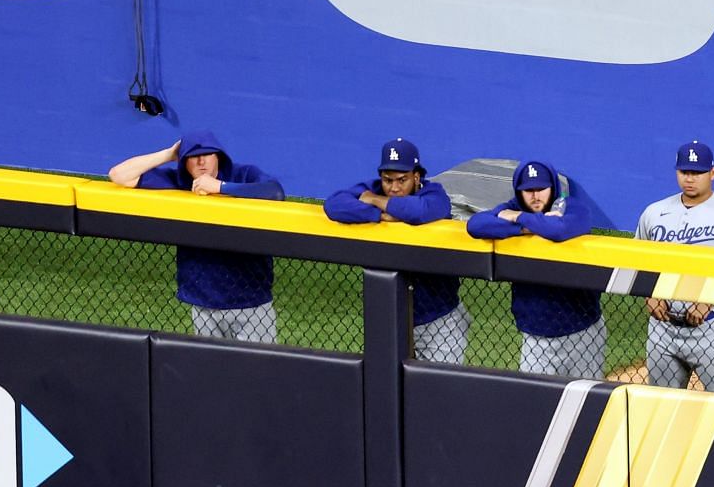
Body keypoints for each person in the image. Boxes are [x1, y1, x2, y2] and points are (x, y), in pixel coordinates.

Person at [108, 131, 284, 342]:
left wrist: (220, 187)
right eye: (193, 156)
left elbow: (275, 192)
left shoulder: (243, 175)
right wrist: (168, 154)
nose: (201, 161)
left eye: (208, 154)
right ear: (184, 162)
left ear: (218, 156)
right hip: (203, 303)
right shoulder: (179, 183)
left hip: (251, 304)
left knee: (257, 372)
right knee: (209, 372)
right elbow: (119, 175)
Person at [633, 141, 714, 394]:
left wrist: (711, 300)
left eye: (697, 173)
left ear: (712, 173)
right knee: (661, 407)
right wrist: (649, 294)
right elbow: (637, 262)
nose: (689, 179)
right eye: (684, 172)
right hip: (663, 332)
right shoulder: (654, 212)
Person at [325, 138, 469, 361]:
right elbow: (334, 205)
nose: (394, 188)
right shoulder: (373, 188)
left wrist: (375, 201)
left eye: (402, 180)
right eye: (388, 180)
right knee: (389, 392)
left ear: (417, 176)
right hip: (390, 323)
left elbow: (420, 211)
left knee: (439, 393)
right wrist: (380, 215)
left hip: (439, 323)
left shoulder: (434, 194)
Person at [466, 161, 606, 378]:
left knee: (587, 402)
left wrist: (517, 219)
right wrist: (530, 226)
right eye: (528, 190)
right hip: (535, 337)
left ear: (552, 187)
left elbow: (559, 229)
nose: (535, 196)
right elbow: (475, 225)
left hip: (583, 332)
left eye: (541, 189)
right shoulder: (512, 205)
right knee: (535, 405)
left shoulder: (573, 207)